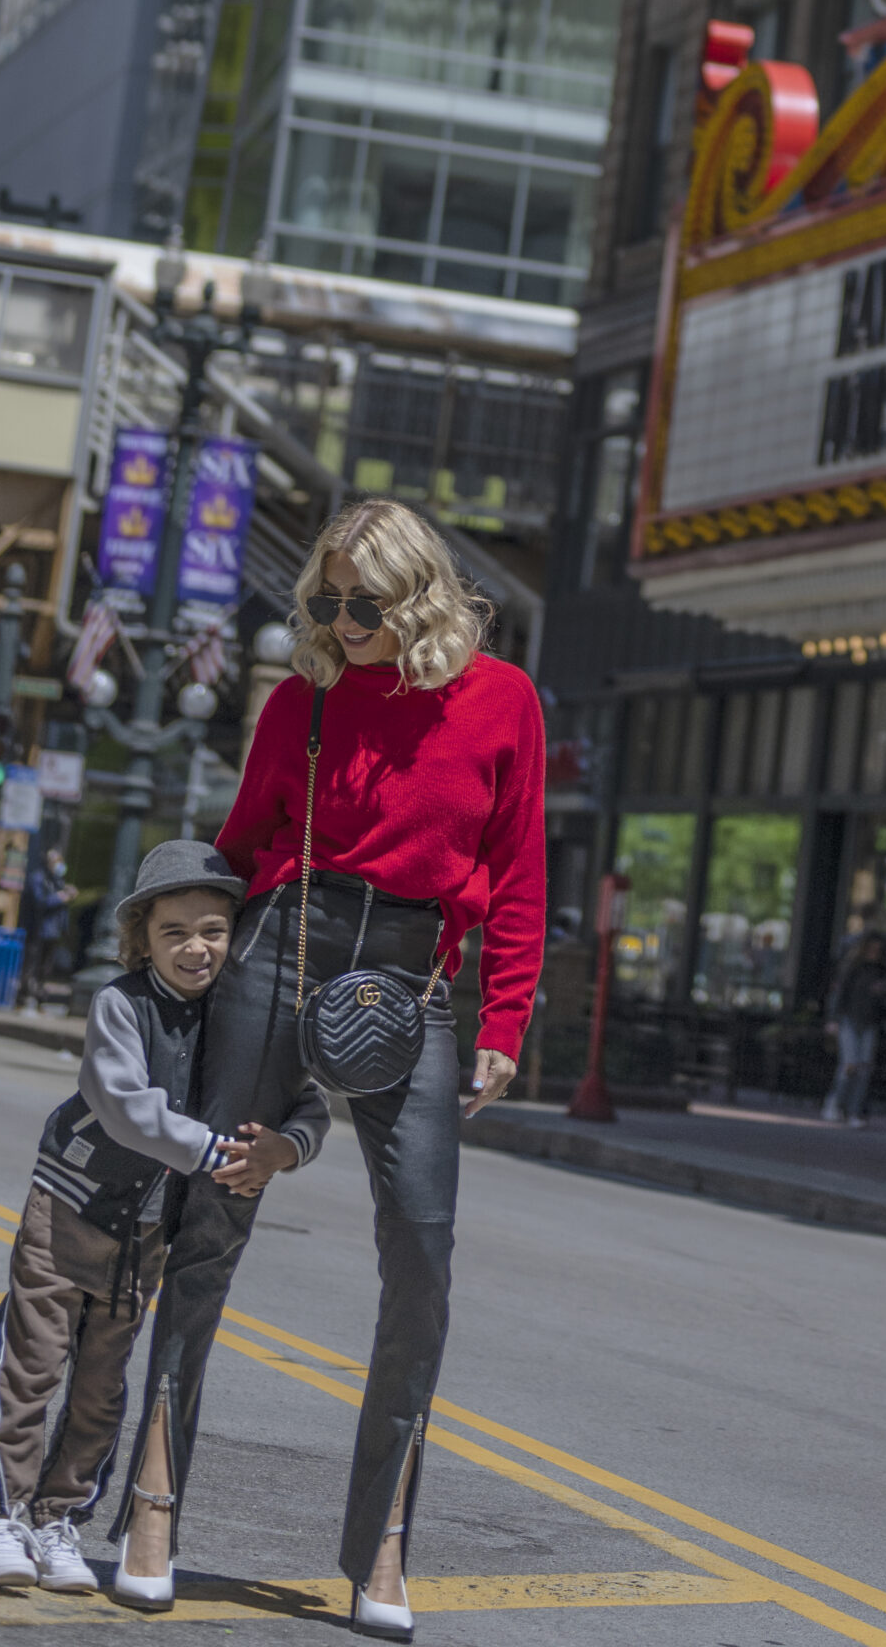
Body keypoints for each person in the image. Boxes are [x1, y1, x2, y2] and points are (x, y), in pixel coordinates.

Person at [118, 499, 546, 1644]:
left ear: (418, 596)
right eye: (324, 600)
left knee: (421, 1250)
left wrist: (506, 1010)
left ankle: (384, 1542)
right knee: (210, 1221)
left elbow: (517, 865)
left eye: (363, 602)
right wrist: (177, 961)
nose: (341, 621)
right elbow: (245, 834)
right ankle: (152, 1507)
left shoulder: (503, 698)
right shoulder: (300, 700)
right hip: (283, 947)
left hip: (410, 983)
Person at [0, 842, 326, 1597]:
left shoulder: (247, 1025)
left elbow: (308, 1103)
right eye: (175, 933)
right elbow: (125, 1107)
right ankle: (3, 1518)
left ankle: (60, 1522)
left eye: (214, 931)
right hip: (69, 1210)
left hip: (146, 1235)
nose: (197, 948)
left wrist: (284, 1151)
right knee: (31, 1366)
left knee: (101, 1386)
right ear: (143, 940)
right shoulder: (119, 1004)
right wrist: (215, 1148)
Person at [824, 919, 886, 1126]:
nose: (875, 953)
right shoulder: (853, 968)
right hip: (850, 1019)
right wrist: (833, 1019)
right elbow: (840, 994)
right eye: (872, 949)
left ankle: (854, 1111)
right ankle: (836, 1103)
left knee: (864, 1067)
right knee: (850, 1064)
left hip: (870, 1022)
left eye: (878, 950)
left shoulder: (882, 972)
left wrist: (883, 994)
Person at [26, 846, 78, 1001]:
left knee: (46, 965)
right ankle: (28, 994)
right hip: (39, 929)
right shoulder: (38, 878)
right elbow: (39, 902)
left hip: (54, 930)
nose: (59, 865)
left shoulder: (56, 880)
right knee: (33, 964)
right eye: (55, 861)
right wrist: (60, 897)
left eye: (60, 861)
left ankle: (38, 993)